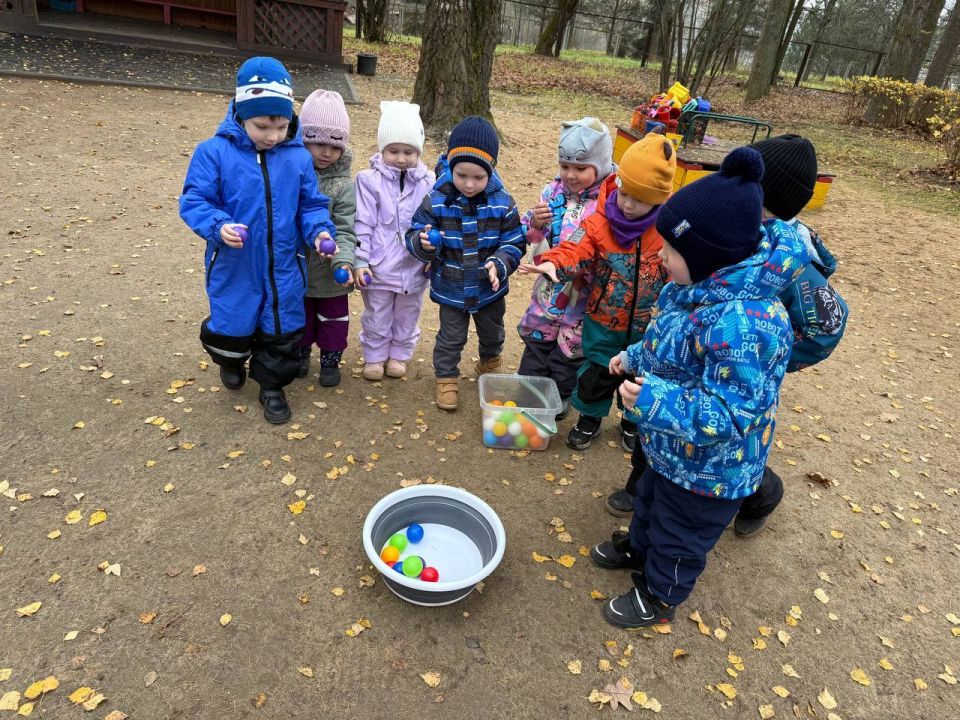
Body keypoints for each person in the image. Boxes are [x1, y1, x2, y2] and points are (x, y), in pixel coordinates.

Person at [590, 147, 810, 629]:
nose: (661, 255)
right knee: (649, 502)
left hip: (712, 471)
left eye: (671, 249)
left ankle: (660, 593)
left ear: (708, 256)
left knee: (680, 533)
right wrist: (633, 359)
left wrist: (652, 401)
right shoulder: (691, 291)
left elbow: (732, 416)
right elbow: (667, 346)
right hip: (672, 449)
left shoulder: (745, 324)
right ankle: (639, 549)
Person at [179, 56, 335, 424]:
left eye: (281, 126)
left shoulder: (297, 157)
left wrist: (319, 231)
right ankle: (230, 360)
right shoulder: (213, 153)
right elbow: (195, 200)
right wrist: (219, 226)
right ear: (240, 115)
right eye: (263, 126)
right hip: (235, 265)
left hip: (284, 263)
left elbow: (310, 204)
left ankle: (271, 386)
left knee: (280, 328)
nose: (273, 136)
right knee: (233, 323)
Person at [519, 134, 675, 452]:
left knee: (641, 378)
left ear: (658, 200)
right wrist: (552, 264)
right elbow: (574, 247)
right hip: (603, 320)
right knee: (596, 375)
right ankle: (589, 419)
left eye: (640, 199)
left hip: (649, 326)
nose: (628, 205)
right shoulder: (599, 221)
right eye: (625, 194)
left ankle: (632, 423)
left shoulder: (667, 230)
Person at [732, 134, 849, 536]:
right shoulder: (737, 223)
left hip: (747, 370)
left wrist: (769, 355)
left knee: (739, 440)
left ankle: (763, 496)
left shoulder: (792, 260)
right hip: (709, 349)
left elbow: (827, 327)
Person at [405, 116, 526, 411]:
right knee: (451, 336)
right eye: (462, 175)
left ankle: (489, 362)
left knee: (493, 330)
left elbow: (514, 240)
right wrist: (424, 244)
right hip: (452, 286)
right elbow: (414, 233)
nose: (469, 184)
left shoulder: (503, 202)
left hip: (489, 287)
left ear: (491, 171)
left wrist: (500, 261)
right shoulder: (436, 200)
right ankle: (446, 378)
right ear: (450, 166)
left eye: (478, 177)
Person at [516, 118, 615, 421]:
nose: (570, 175)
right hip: (547, 293)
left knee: (568, 353)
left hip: (582, 298)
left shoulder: (609, 201)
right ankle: (528, 393)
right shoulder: (552, 193)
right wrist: (536, 224)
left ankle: (557, 400)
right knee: (536, 343)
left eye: (581, 168)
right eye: (565, 166)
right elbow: (530, 235)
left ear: (599, 166)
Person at [354, 101, 434, 381]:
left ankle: (399, 353)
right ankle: (375, 355)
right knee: (377, 312)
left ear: (418, 151)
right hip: (379, 263)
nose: (401, 159)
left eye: (409, 152)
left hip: (414, 264)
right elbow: (363, 221)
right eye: (393, 151)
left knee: (408, 312)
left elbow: (435, 222)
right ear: (382, 148)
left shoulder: (429, 182)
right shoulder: (368, 181)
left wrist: (432, 256)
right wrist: (361, 260)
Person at [295, 89, 356, 387]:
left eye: (334, 145)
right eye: (317, 142)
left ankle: (331, 360)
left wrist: (344, 260)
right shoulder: (291, 174)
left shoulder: (344, 185)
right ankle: (301, 354)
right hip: (297, 267)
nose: (326, 152)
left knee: (334, 319)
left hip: (330, 268)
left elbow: (345, 227)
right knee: (300, 316)